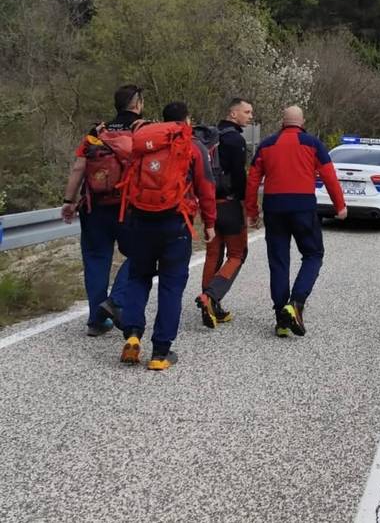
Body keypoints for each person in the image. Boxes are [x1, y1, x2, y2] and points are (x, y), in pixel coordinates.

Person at [118, 101, 217, 370]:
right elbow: (206, 186)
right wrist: (209, 223)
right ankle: (161, 353)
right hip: (175, 222)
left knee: (138, 277)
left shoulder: (143, 142)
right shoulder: (192, 145)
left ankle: (133, 335)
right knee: (171, 286)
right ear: (186, 121)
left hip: (141, 220)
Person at [245, 105, 347, 337]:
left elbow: (252, 180)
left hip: (273, 208)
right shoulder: (313, 144)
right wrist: (339, 206)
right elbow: (329, 176)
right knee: (313, 254)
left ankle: (281, 318)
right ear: (302, 122)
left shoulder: (266, 144)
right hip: (303, 207)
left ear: (283, 122)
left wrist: (251, 210)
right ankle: (296, 304)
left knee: (278, 261)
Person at [61, 84, 144, 336]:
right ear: (138, 104)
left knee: (96, 261)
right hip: (130, 207)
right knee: (142, 254)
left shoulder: (96, 134)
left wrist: (68, 201)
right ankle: (115, 300)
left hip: (93, 207)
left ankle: (97, 321)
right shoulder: (144, 132)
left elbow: (78, 168)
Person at [195, 97, 254, 328]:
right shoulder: (234, 139)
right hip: (230, 203)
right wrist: (247, 204)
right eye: (247, 112)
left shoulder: (207, 138)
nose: (250, 116)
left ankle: (209, 307)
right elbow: (240, 175)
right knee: (237, 254)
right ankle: (211, 297)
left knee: (213, 254)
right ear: (233, 114)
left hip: (209, 203)